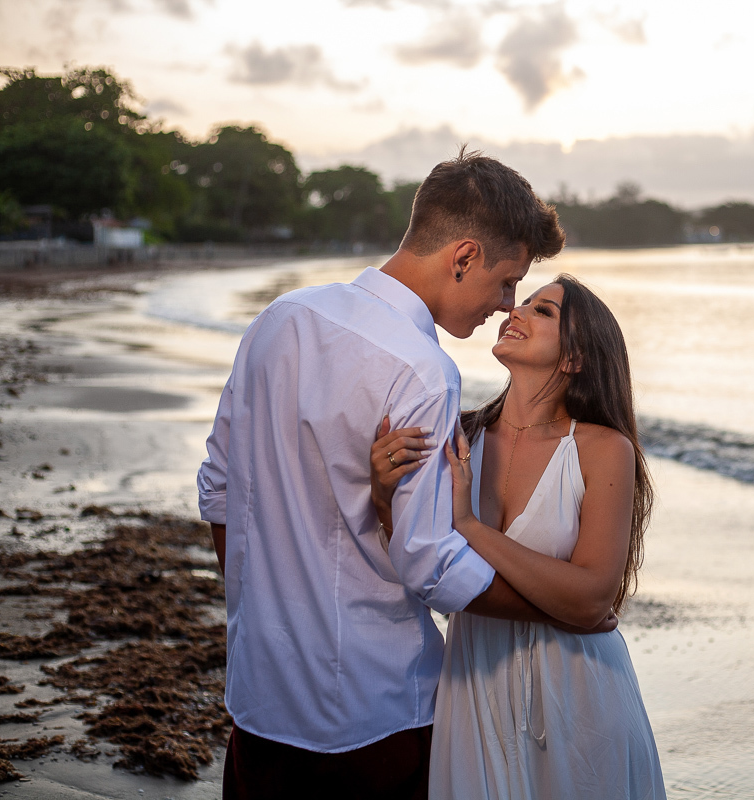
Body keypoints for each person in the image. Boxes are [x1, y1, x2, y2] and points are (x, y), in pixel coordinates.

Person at [196, 148, 603, 799]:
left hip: (260, 700)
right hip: (374, 711)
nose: (506, 305)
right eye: (505, 281)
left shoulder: (279, 319)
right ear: (463, 256)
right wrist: (560, 612)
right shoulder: (420, 367)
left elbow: (218, 491)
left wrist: (263, 616)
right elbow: (428, 561)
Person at [372, 274, 668, 799]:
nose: (518, 311)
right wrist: (382, 494)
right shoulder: (457, 435)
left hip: (578, 696)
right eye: (523, 301)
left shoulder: (601, 449)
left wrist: (469, 528)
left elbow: (594, 597)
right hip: (471, 688)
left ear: (576, 357)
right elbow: (418, 570)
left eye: (544, 311)